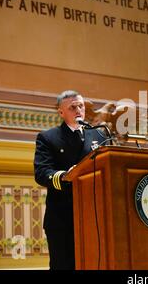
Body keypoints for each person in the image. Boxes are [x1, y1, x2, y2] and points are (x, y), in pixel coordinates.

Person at [34, 90, 107, 270]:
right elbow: (42, 172)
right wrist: (66, 176)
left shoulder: (99, 135)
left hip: (95, 216)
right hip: (62, 216)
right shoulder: (48, 137)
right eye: (72, 107)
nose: (78, 110)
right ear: (61, 112)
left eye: (81, 106)